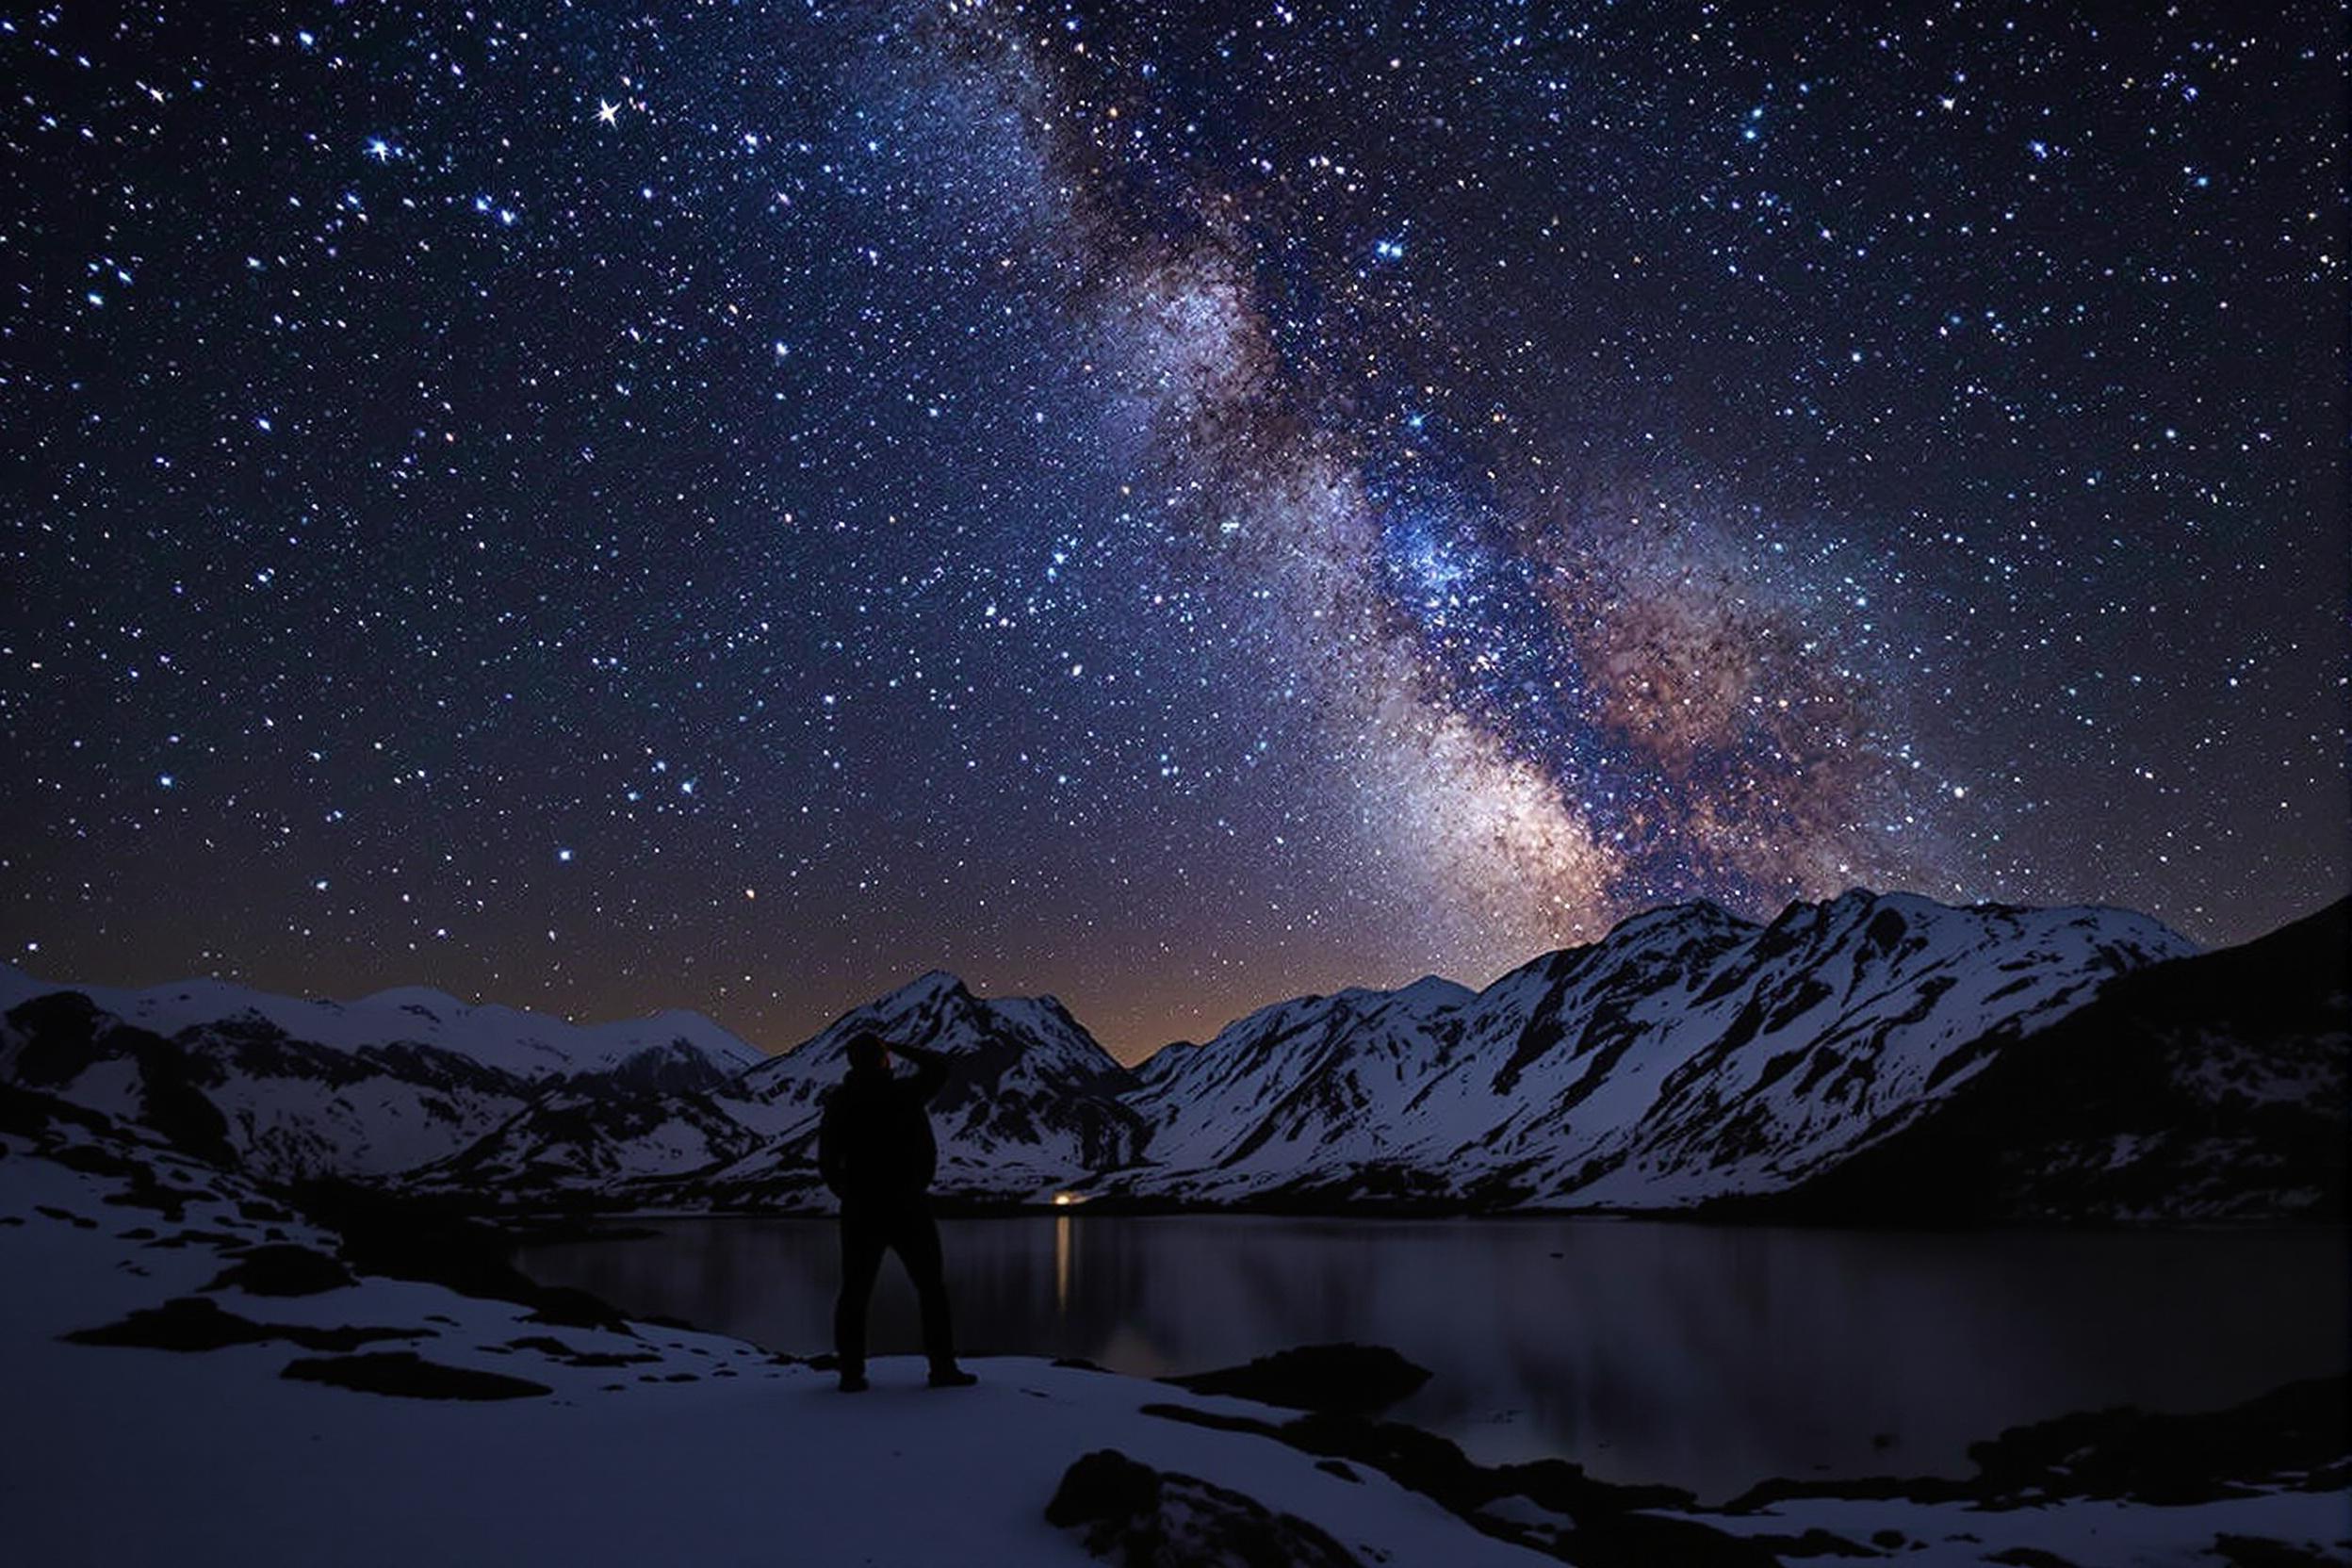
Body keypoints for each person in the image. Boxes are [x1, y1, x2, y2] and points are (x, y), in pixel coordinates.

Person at [816, 1032, 977, 1393]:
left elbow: (827, 1158)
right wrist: (897, 1045)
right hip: (907, 1204)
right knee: (931, 1288)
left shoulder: (841, 1100)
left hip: (861, 1208)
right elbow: (938, 1066)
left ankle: (851, 1375)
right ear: (883, 1059)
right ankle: (942, 1369)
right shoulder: (904, 1093)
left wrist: (848, 1193)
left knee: (855, 1291)